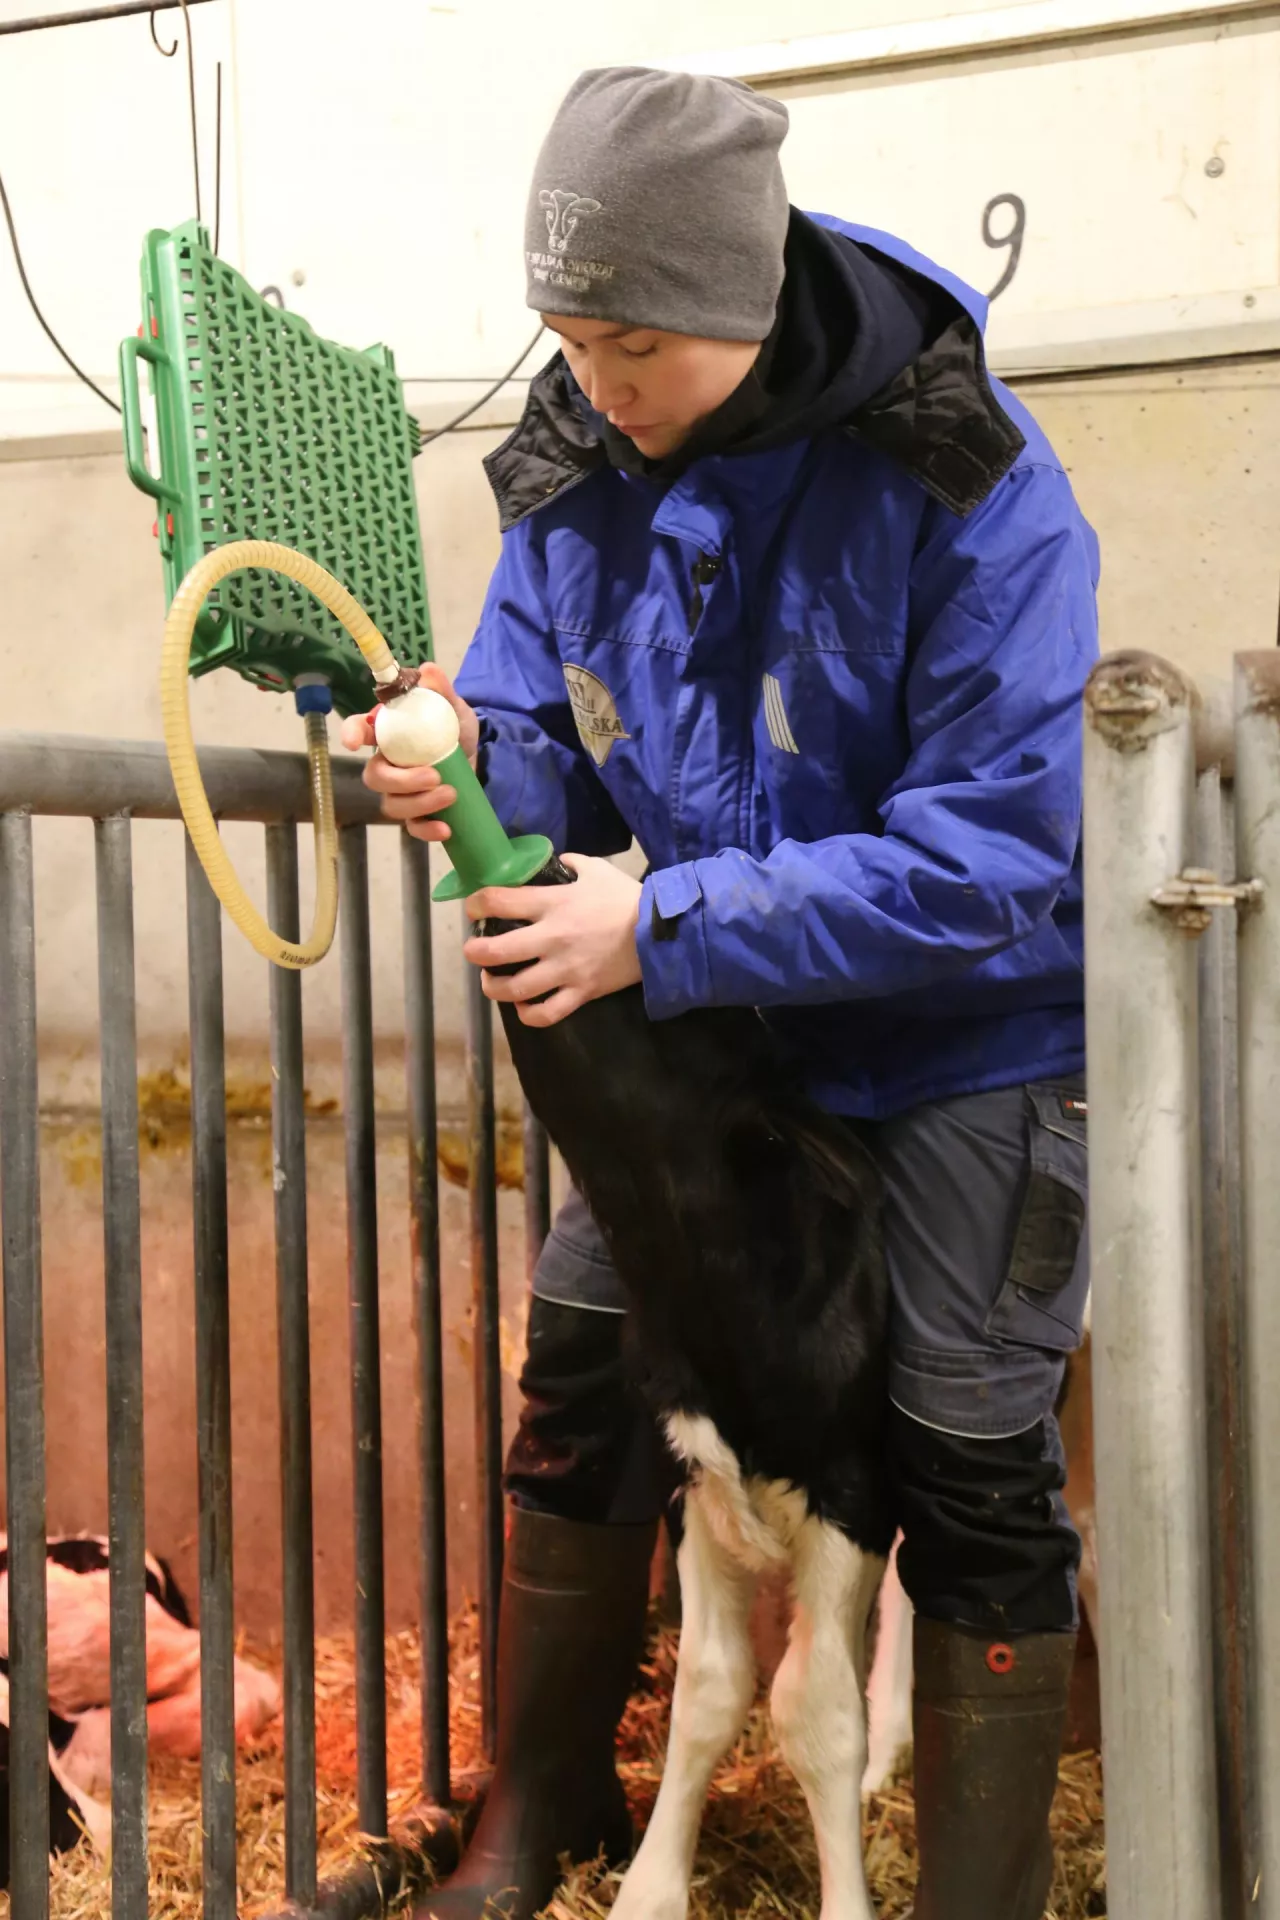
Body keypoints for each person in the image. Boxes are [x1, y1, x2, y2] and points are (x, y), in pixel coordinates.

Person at [344, 65, 1099, 1920]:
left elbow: (996, 851)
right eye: (565, 336)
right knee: (588, 1365)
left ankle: (980, 1894)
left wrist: (663, 922)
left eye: (628, 342)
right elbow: (541, 740)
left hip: (961, 1034)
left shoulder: (965, 472)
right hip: (720, 1025)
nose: (595, 383)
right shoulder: (585, 473)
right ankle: (543, 1817)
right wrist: (453, 765)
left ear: (739, 305)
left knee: (966, 1445)